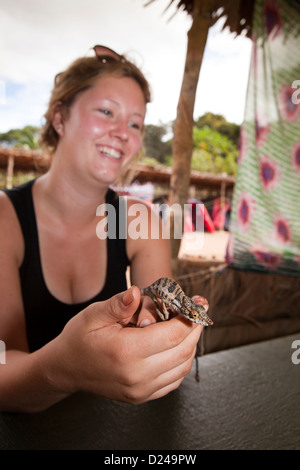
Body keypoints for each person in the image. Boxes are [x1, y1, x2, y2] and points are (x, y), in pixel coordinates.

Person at [0, 45, 205, 413]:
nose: (122, 133)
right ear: (59, 117)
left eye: (135, 122)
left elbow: (156, 322)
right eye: (107, 111)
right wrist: (63, 369)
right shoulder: (5, 218)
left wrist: (162, 340)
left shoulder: (140, 222)